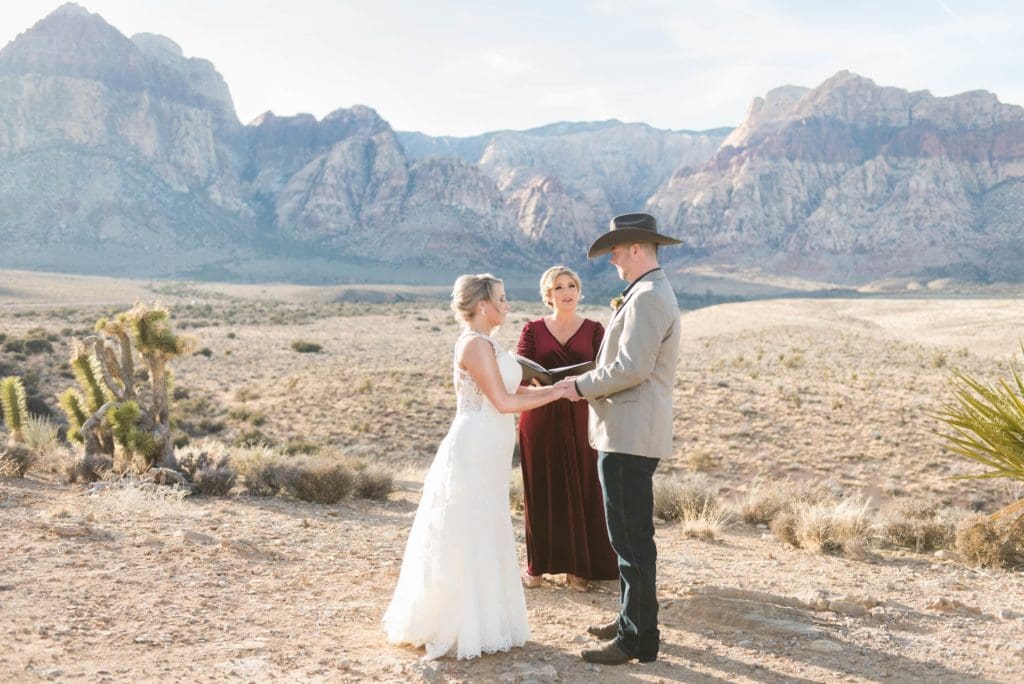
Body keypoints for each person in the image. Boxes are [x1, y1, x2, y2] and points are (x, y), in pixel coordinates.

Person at [383, 273, 573, 660]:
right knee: (468, 527)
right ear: (483, 305)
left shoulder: (488, 343)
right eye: (501, 299)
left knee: (487, 523)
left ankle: (488, 619)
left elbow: (507, 391)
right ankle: (456, 623)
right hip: (474, 444)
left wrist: (551, 389)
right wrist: (554, 394)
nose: (507, 304)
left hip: (492, 446)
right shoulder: (472, 345)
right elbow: (502, 402)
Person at [555, 213, 683, 666]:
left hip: (630, 437)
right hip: (625, 433)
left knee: (631, 542)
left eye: (615, 248)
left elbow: (631, 368)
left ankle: (638, 639)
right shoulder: (644, 293)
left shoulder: (649, 297)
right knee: (626, 539)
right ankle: (630, 619)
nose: (611, 257)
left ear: (636, 248)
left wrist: (579, 385)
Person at [516, 266, 618, 592]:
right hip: (540, 415)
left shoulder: (594, 329)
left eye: (571, 285)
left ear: (579, 290)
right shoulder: (532, 330)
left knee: (585, 487)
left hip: (581, 415)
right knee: (543, 488)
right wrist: (538, 381)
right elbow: (519, 371)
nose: (566, 291)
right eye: (558, 287)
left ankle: (579, 567)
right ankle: (537, 566)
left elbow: (607, 369)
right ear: (548, 295)